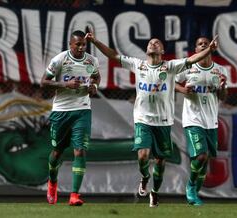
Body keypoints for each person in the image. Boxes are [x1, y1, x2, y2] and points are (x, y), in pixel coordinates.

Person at [85, 31, 218, 207]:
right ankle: (145, 177)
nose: (153, 44)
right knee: (143, 155)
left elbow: (192, 59)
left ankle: (154, 192)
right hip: (143, 119)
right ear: (147, 49)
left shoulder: (170, 67)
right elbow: (112, 55)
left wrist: (209, 50)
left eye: (157, 42)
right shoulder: (138, 65)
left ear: (162, 50)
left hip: (163, 121)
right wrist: (94, 41)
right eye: (150, 43)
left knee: (160, 161)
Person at [41, 30, 100, 206]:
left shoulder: (92, 61)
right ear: (70, 44)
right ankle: (52, 182)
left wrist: (94, 87)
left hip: (82, 110)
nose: (82, 47)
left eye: (84, 44)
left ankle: (74, 195)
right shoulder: (60, 59)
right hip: (61, 111)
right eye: (78, 44)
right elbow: (44, 82)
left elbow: (96, 77)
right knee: (56, 153)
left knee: (80, 150)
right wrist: (64, 84)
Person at [175, 37, 228, 206]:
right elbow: (171, 82)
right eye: (200, 43)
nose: (203, 44)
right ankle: (190, 187)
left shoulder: (219, 70)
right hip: (193, 119)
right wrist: (184, 90)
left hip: (211, 121)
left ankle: (194, 192)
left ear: (212, 48)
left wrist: (222, 87)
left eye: (206, 42)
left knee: (206, 160)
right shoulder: (189, 67)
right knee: (201, 156)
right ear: (196, 50)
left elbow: (223, 96)